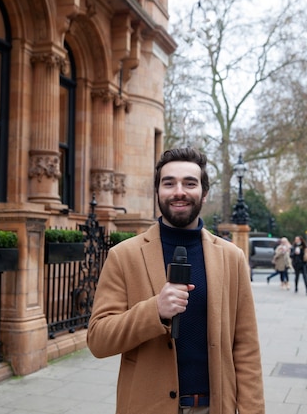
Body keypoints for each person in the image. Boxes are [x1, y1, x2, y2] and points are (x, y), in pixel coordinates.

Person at [87, 147, 265, 414]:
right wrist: (154, 310)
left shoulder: (232, 258)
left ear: (204, 194)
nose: (179, 191)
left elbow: (246, 347)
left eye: (189, 183)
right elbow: (99, 340)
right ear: (157, 192)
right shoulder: (123, 256)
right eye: (169, 183)